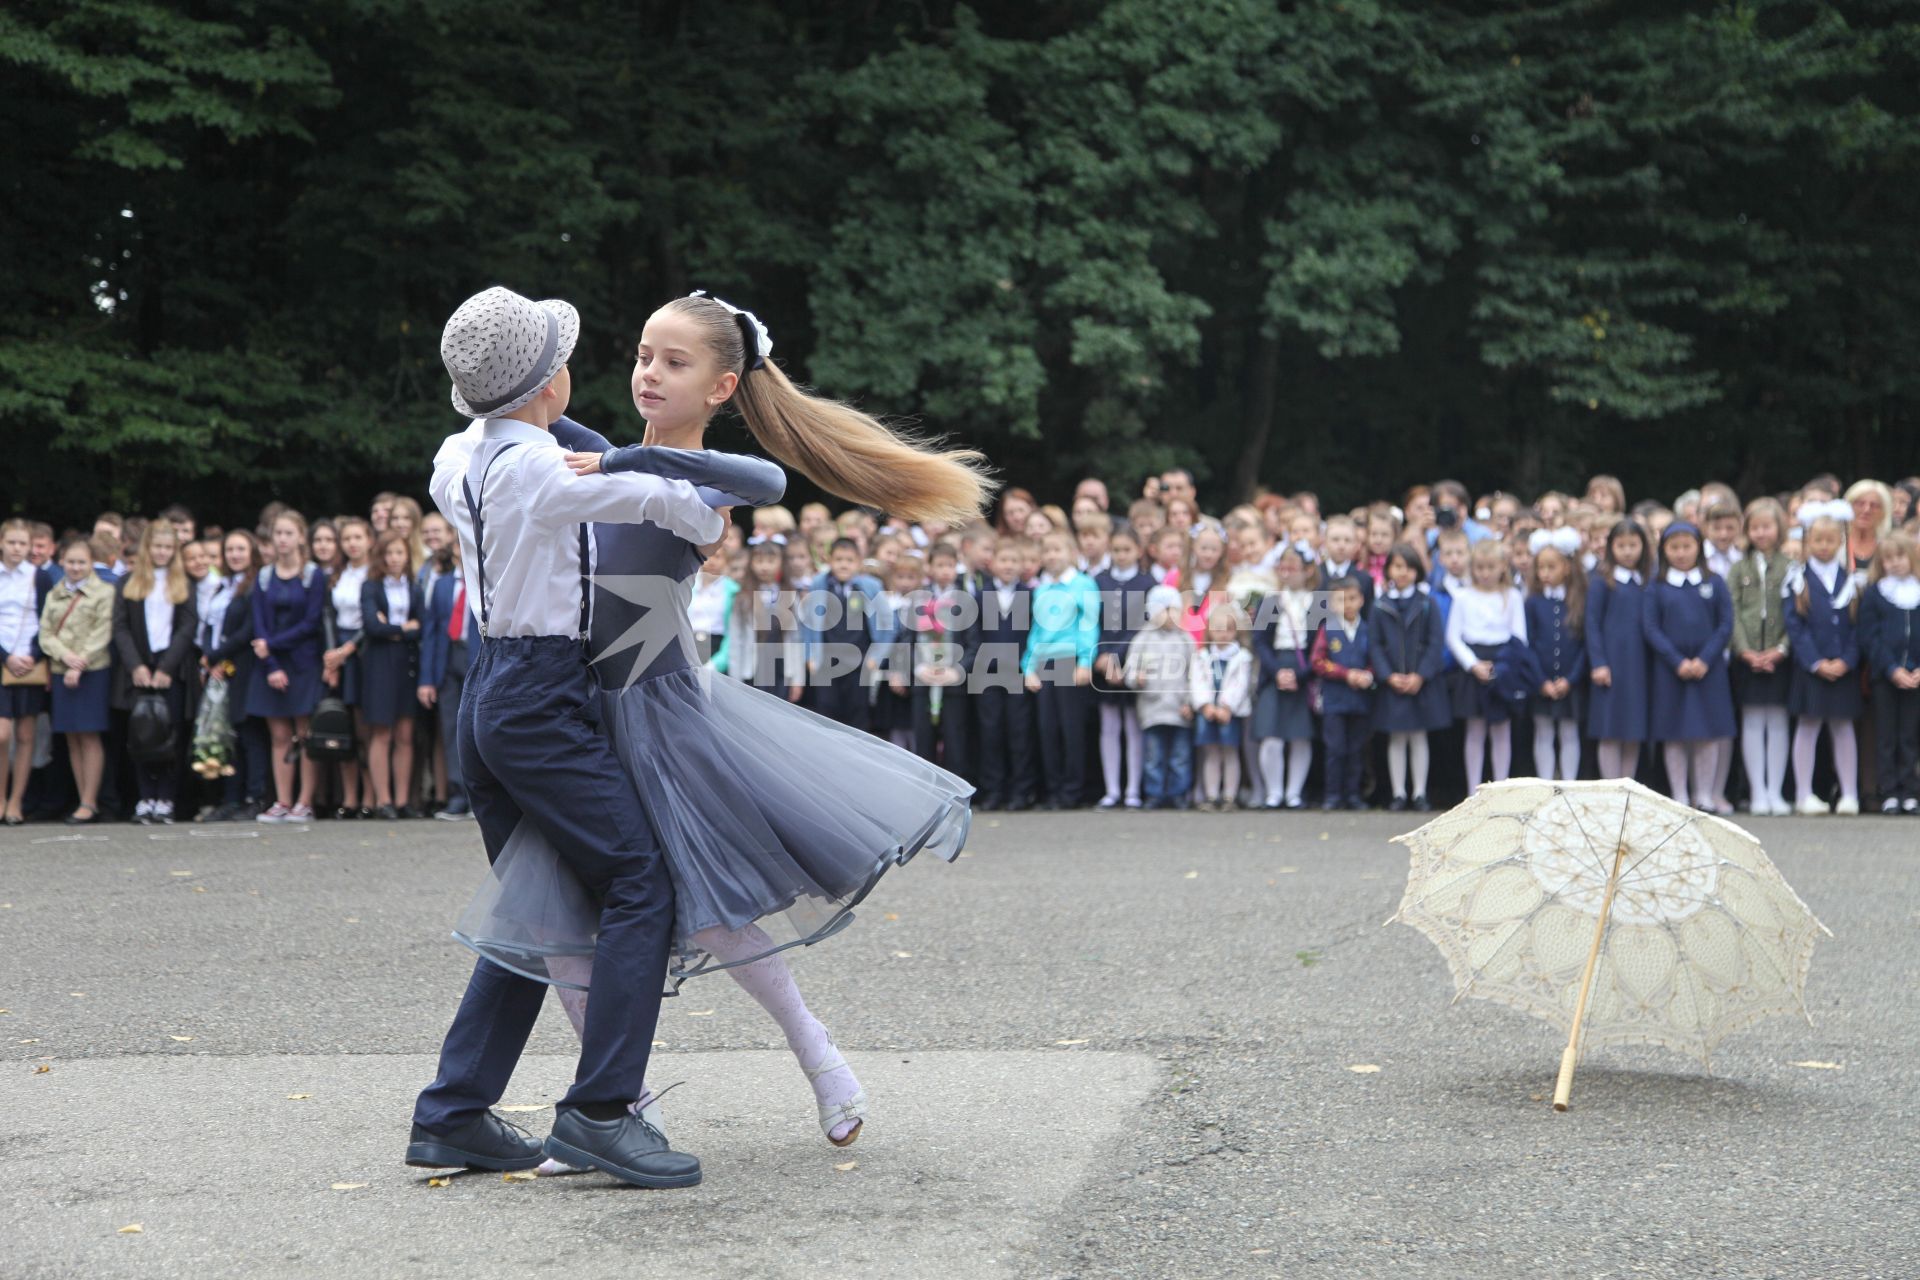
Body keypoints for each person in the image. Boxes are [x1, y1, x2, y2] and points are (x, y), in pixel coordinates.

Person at [463, 289, 978, 1160]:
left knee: (710, 913)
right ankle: (620, 1103)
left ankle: (820, 1057)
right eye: (641, 356)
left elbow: (770, 480)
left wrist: (624, 457)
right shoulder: (587, 453)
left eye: (673, 362)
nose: (648, 374)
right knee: (555, 924)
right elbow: (522, 418)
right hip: (575, 715)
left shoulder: (686, 475)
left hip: (660, 715)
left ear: (724, 387)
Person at [408, 286, 724, 1188]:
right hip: (543, 698)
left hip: (489, 694)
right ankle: (600, 1112)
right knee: (638, 882)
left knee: (537, 904)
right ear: (555, 382)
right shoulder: (545, 473)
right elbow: (689, 514)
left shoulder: (453, 455)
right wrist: (678, 492)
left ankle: (454, 1114)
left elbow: (539, 436)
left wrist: (552, 422)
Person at [1643, 522, 1735, 810]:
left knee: (1707, 732)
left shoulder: (1714, 582)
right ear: (1664, 550)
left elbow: (1725, 624)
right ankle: (1679, 794)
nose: (1681, 553)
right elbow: (1651, 628)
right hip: (1671, 671)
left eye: (1687, 546)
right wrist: (1677, 661)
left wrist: (1705, 659)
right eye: (1674, 547)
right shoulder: (1656, 587)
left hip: (1708, 670)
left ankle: (1704, 794)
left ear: (1699, 547)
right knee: (1674, 733)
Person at [112, 519, 199, 824]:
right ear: (147, 548)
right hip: (139, 665)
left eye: (167, 548)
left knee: (169, 732)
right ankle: (144, 797)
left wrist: (167, 667)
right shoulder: (128, 582)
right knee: (140, 733)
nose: (161, 553)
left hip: (170, 667)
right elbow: (120, 627)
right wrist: (135, 665)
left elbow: (188, 626)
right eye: (157, 547)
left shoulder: (183, 582)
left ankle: (166, 798)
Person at [248, 510, 327, 823]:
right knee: (279, 734)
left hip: (303, 663)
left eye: (288, 533)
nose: (282, 539)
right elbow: (259, 625)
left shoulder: (312, 575)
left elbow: (311, 623)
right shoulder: (264, 577)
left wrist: (273, 646)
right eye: (277, 533)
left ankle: (304, 802)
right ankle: (282, 800)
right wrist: (270, 664)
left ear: (300, 537)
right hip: (272, 665)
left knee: (304, 734)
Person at [1784, 510, 1863, 815]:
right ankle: (1804, 794)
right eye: (1817, 539)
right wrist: (1816, 661)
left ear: (1841, 541)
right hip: (1811, 668)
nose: (1824, 545)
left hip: (1844, 667)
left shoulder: (1851, 580)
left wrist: (1847, 660)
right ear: (1807, 541)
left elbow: (1859, 627)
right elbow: (1795, 626)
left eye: (1831, 540)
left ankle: (1849, 794)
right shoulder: (1797, 579)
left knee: (1843, 727)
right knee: (1807, 724)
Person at [1369, 544, 1449, 811]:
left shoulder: (1427, 603)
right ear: (1389, 569)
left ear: (1417, 572)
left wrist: (1421, 675)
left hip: (1420, 683)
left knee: (1418, 736)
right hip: (1393, 682)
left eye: (1409, 567)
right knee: (1396, 737)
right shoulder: (1380, 605)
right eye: (1398, 567)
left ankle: (1420, 792)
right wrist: (1387, 675)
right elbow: (1375, 645)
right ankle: (1398, 792)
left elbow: (1435, 642)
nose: (1403, 573)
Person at [39, 537, 112, 823]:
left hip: (92, 671)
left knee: (90, 735)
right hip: (61, 670)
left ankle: (90, 801)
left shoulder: (104, 592)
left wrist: (79, 662)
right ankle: (82, 799)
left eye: (82, 562)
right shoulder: (55, 593)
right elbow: (45, 633)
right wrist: (66, 657)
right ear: (62, 562)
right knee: (71, 737)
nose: (76, 567)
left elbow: (102, 632)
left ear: (91, 563)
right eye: (71, 562)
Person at [1024, 529, 1098, 809]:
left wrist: (1085, 662)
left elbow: (1089, 625)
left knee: (1071, 728)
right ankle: (1053, 790)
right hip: (1044, 664)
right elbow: (1036, 631)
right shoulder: (1041, 590)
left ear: (1071, 553)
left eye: (1057, 550)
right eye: (1047, 551)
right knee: (1047, 729)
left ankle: (1072, 791)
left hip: (1070, 661)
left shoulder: (1083, 585)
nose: (1051, 556)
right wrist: (1028, 666)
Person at [1446, 539, 1527, 795]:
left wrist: (1500, 667)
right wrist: (1472, 664)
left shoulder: (1512, 596)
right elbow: (1453, 636)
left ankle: (1500, 789)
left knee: (1501, 727)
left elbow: (1519, 637)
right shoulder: (1463, 596)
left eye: (1490, 567)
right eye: (1479, 568)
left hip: (1502, 663)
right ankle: (1474, 791)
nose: (1484, 573)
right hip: (1473, 662)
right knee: (1475, 729)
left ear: (1502, 567)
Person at [198, 530, 268, 821]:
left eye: (241, 549)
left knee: (249, 734)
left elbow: (247, 630)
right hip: (220, 670)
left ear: (252, 552)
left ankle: (255, 796)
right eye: (230, 550)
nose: (235, 555)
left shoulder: (255, 586)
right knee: (227, 734)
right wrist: (207, 658)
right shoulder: (221, 586)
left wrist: (214, 656)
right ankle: (231, 797)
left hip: (244, 667)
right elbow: (209, 627)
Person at [1730, 498, 1792, 815]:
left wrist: (1781, 649)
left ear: (1778, 529)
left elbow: (1795, 613)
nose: (1761, 532)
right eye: (1755, 527)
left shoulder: (1789, 566)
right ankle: (1757, 791)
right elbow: (1733, 612)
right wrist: (1744, 650)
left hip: (1779, 657)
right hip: (1749, 657)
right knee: (1753, 722)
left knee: (1778, 723)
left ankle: (1776, 791)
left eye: (1767, 526)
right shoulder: (1739, 567)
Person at [359, 533, 424, 819]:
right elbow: (373, 626)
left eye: (399, 552)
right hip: (379, 662)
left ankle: (401, 800)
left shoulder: (415, 587)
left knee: (405, 733)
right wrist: (403, 628)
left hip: (406, 662)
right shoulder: (371, 587)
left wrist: (394, 627)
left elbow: (423, 624)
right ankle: (383, 799)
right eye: (388, 553)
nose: (394, 558)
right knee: (382, 731)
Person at [969, 537, 1036, 811]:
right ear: (991, 563)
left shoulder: (1029, 595)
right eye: (1003, 560)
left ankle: (1021, 791)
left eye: (1013, 561)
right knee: (990, 731)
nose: (1008, 566)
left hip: (1018, 672)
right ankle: (993, 790)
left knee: (1019, 733)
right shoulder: (980, 595)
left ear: (1022, 565)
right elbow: (973, 635)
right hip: (988, 673)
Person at [1586, 520, 1654, 781]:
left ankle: (1628, 785)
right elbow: (1592, 623)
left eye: (1633, 545)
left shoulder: (1646, 580)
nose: (1627, 551)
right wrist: (1599, 663)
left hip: (1638, 663)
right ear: (1610, 547)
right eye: (1621, 545)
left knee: (1633, 728)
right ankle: (1611, 785)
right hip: (1612, 662)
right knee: (1610, 728)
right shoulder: (1603, 581)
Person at [1251, 545, 1317, 809]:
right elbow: (1260, 641)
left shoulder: (1319, 601)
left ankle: (1294, 793)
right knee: (1271, 734)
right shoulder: (1270, 600)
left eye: (1294, 567)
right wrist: (1277, 670)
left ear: (1308, 570)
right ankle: (1274, 792)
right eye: (1283, 567)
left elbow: (1319, 645)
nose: (1287, 572)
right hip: (1274, 668)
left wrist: (1301, 675)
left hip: (1304, 669)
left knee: (1300, 735)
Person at [1859, 532, 1920, 813]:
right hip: (1886, 677)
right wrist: (1891, 668)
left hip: (1916, 677)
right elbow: (1870, 637)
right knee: (1886, 736)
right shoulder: (1876, 593)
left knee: (1910, 735)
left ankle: (1910, 790)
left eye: (1900, 557)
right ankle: (1889, 791)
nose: (1894, 563)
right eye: (1888, 558)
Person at [1092, 527, 1151, 808]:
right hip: (1103, 664)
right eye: (1116, 550)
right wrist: (1101, 657)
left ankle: (1133, 790)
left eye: (1127, 550)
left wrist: (1117, 656)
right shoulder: (1098, 581)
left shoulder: (1147, 583)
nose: (1121, 555)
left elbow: (1142, 626)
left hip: (1132, 662)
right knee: (1109, 726)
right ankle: (1112, 789)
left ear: (1139, 551)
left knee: (1133, 725)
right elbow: (1092, 622)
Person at [417, 528, 473, 820]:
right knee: (450, 728)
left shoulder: (487, 582)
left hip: (476, 657)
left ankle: (480, 797)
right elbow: (431, 632)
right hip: (447, 658)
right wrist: (427, 678)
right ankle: (456, 794)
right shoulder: (441, 585)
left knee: (477, 728)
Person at [1526, 532, 1589, 783]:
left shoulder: (1578, 601)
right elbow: (1528, 644)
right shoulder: (1532, 602)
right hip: (1541, 681)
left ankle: (1569, 784)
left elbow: (1585, 646)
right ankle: (1546, 783)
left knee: (1569, 731)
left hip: (1570, 681)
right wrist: (1541, 680)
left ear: (1566, 567)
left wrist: (1571, 679)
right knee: (1543, 731)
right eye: (1541, 567)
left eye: (1551, 566)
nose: (1545, 572)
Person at [322, 516, 373, 820]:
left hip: (363, 650)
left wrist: (347, 650)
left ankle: (369, 796)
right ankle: (349, 797)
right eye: (347, 539)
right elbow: (328, 615)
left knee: (365, 726)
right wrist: (333, 655)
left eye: (358, 537)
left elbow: (371, 620)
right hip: (338, 652)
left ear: (369, 540)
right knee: (342, 726)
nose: (352, 543)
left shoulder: (375, 574)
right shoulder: (337, 575)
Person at [1126, 584, 1195, 809]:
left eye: (1173, 609)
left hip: (1179, 708)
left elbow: (1195, 675)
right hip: (1152, 708)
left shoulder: (1186, 640)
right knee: (1153, 755)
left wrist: (1190, 703)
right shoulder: (1142, 639)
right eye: (1163, 609)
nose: (1169, 615)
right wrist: (1137, 678)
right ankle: (1154, 793)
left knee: (1180, 755)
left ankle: (1179, 793)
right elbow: (1129, 670)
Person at [1313, 577, 1375, 810]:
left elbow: (1375, 658)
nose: (1347, 604)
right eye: (1340, 600)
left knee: (1356, 749)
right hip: (1335, 699)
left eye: (1352, 598)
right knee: (1335, 748)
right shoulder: (1327, 629)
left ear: (1361, 600)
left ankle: (1353, 794)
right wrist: (1345, 674)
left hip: (1360, 699)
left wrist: (1367, 675)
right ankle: (1332, 795)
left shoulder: (1367, 629)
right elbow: (1318, 661)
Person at [1189, 603, 1253, 811]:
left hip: (1229, 713)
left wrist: (1226, 706)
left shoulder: (1242, 657)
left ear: (1235, 631)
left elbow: (1241, 685)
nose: (1222, 634)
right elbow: (1197, 682)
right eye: (1217, 629)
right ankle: (1211, 795)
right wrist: (1205, 705)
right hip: (1208, 712)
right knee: (1211, 752)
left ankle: (1229, 796)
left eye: (1228, 629)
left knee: (1230, 751)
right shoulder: (1202, 656)